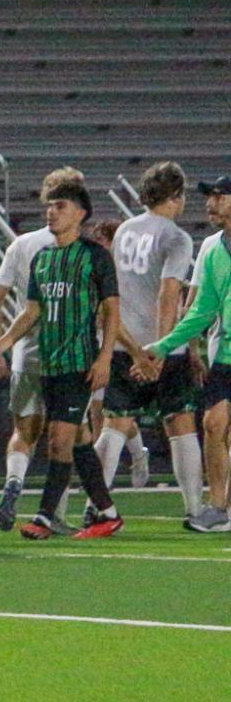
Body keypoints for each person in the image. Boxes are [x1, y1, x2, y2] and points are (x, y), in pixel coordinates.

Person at [0, 178, 138, 539]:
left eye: (60, 206)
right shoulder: (43, 258)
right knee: (79, 439)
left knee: (58, 440)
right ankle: (109, 513)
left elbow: (112, 312)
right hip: (48, 364)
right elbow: (31, 312)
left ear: (80, 214)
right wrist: (0, 345)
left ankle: (44, 518)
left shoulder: (95, 257)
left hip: (79, 364)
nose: (51, 212)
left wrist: (103, 360)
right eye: (49, 206)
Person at [0, 168, 85, 530]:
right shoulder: (75, 247)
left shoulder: (22, 244)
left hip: (26, 350)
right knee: (65, 437)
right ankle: (56, 513)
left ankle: (14, 483)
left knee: (24, 432)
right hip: (68, 354)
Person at [102, 162, 206, 524]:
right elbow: (169, 294)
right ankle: (194, 509)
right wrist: (160, 349)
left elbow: (113, 291)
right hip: (162, 348)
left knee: (114, 425)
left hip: (123, 344)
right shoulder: (176, 237)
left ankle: (96, 507)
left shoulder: (124, 230)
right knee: (180, 424)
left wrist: (129, 345)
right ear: (176, 196)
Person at [142, 172, 231, 532]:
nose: (210, 203)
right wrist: (164, 345)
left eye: (220, 196)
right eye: (210, 196)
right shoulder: (211, 247)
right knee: (213, 425)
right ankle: (218, 507)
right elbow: (202, 308)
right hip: (225, 354)